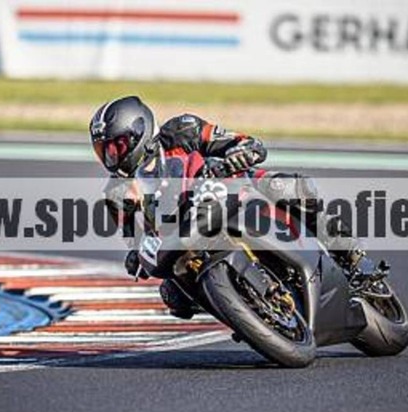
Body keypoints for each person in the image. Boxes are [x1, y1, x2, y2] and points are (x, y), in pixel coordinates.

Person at [89, 95, 387, 319]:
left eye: (116, 146)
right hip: (183, 232)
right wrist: (135, 255)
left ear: (139, 131)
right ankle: (243, 310)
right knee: (173, 296)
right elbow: (134, 237)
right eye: (104, 151)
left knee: (289, 187)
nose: (112, 157)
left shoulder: (182, 130)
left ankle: (352, 257)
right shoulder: (116, 193)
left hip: (226, 189)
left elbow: (242, 142)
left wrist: (239, 154)